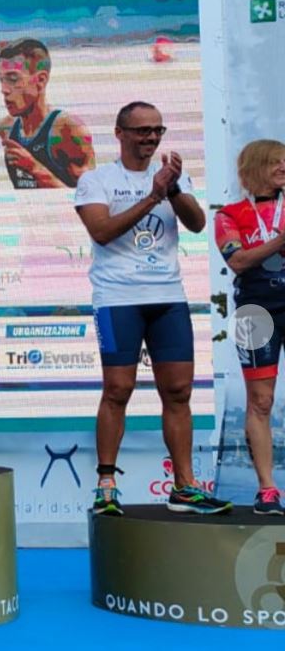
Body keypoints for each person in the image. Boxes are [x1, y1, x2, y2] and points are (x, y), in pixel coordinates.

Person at [75, 101, 230, 516]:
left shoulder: (172, 177)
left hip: (167, 297)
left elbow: (197, 224)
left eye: (157, 130)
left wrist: (173, 190)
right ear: (120, 133)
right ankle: (106, 485)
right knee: (117, 390)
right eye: (142, 130)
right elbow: (102, 231)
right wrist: (153, 196)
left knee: (179, 391)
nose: (151, 138)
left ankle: (184, 486)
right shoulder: (96, 180)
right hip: (117, 299)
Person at [213, 139, 285, 514]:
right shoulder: (229, 214)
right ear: (255, 167)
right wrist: (280, 241)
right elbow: (238, 261)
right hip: (255, 311)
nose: (283, 168)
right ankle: (267, 489)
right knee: (260, 400)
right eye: (275, 162)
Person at [0, 38, 94, 189]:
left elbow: (90, 198)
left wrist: (35, 169)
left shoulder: (68, 130)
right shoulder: (5, 128)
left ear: (41, 80)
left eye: (13, 79)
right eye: (1, 79)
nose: (4, 89)